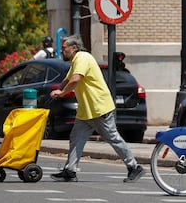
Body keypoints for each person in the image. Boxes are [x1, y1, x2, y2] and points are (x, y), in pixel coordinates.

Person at [49, 34, 144, 183]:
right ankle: (70, 170)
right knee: (76, 139)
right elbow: (67, 79)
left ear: (74, 48)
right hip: (87, 110)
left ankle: (134, 167)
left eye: (65, 47)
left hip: (100, 108)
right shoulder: (75, 61)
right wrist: (58, 90)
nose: (62, 50)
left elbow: (76, 79)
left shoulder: (83, 57)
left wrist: (61, 93)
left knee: (113, 138)